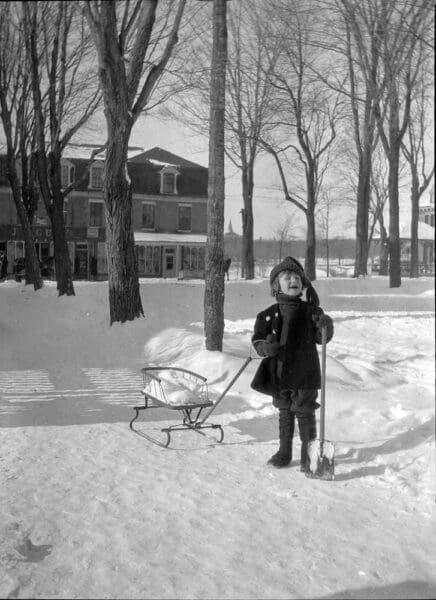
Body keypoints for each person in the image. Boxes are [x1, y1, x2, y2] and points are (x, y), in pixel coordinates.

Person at [250, 256, 334, 471]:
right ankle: (284, 452)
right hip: (280, 373)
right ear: (276, 285)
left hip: (305, 373)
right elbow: (258, 340)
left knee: (305, 413)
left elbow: (321, 338)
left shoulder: (312, 312)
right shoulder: (267, 315)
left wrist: (325, 326)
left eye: (297, 277)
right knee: (285, 413)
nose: (293, 280)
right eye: (287, 277)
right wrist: (265, 347)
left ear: (302, 284)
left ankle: (309, 457)